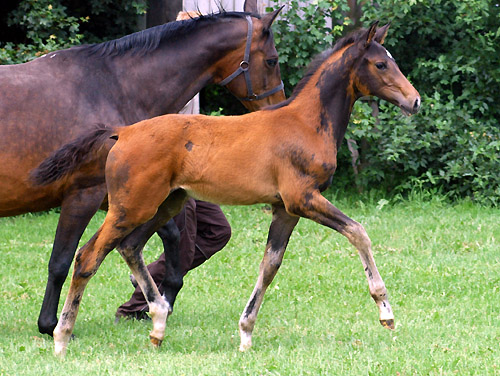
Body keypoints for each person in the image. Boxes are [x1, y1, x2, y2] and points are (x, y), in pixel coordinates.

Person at [115, 10, 231, 321]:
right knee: (183, 244)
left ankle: (148, 275)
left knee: (218, 231)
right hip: (170, 169)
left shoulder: (194, 72)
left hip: (195, 167)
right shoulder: (161, 73)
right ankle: (133, 309)